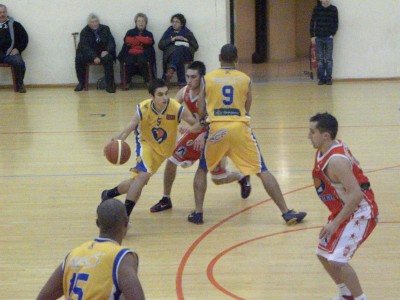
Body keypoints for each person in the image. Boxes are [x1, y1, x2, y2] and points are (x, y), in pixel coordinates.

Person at [189, 44, 307, 225]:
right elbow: (247, 106)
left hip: (216, 129)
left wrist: (205, 119)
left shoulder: (208, 79)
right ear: (236, 60)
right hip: (239, 128)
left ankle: (197, 213)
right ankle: (286, 212)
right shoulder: (245, 79)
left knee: (203, 170)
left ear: (220, 57)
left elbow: (201, 108)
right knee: (262, 170)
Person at [150, 61, 251, 213]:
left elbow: (218, 121)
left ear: (202, 78)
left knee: (218, 179)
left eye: (193, 77)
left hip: (214, 135)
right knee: (171, 160)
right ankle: (166, 198)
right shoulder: (184, 91)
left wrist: (203, 133)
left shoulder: (211, 93)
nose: (189, 80)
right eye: (187, 76)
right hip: (195, 132)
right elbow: (170, 109)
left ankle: (242, 177)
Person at [101, 78, 201, 219]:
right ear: (152, 96)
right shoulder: (144, 108)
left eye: (166, 93)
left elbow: (197, 124)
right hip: (145, 145)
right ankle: (124, 217)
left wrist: (190, 129)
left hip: (163, 152)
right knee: (144, 175)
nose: (165, 97)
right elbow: (129, 128)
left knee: (136, 182)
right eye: (160, 94)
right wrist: (116, 140)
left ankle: (108, 194)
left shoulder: (175, 108)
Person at [308, 113, 378, 300]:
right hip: (345, 207)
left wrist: (335, 223)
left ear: (326, 136)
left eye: (312, 132)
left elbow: (356, 195)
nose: (308, 136)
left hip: (362, 211)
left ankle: (360, 298)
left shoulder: (336, 161)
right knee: (322, 253)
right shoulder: (326, 149)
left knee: (337, 261)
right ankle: (345, 293)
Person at [36, 198, 145, 300]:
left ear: (98, 223)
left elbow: (42, 298)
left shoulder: (73, 254)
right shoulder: (122, 257)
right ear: (126, 223)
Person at [75, 13, 116, 93]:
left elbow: (111, 42)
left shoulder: (105, 29)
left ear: (98, 22)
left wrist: (107, 50)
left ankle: (109, 85)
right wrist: (94, 57)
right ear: (88, 23)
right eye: (92, 22)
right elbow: (84, 47)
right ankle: (81, 83)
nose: (94, 24)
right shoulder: (84, 31)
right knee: (79, 58)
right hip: (90, 54)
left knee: (108, 58)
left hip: (103, 52)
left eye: (96, 21)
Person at [117, 12, 156, 89]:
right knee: (129, 60)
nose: (141, 23)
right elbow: (127, 40)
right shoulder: (130, 32)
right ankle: (127, 82)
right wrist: (141, 41)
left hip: (144, 54)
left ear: (146, 23)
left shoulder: (149, 33)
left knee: (142, 60)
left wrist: (136, 40)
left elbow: (150, 42)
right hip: (130, 53)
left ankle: (148, 81)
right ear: (136, 22)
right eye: (139, 21)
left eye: (143, 21)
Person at [158, 13, 198, 87]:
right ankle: (182, 82)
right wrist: (172, 39)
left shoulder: (187, 32)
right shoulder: (169, 31)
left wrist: (186, 40)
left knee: (180, 49)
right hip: (172, 54)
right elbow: (160, 45)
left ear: (182, 24)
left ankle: (171, 69)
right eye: (173, 21)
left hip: (186, 54)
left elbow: (196, 46)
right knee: (179, 55)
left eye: (176, 22)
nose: (174, 24)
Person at [0, 4, 28, 93]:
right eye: (0, 13)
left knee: (18, 62)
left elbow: (24, 38)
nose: (2, 14)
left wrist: (18, 49)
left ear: (6, 13)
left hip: (10, 54)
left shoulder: (16, 25)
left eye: (3, 12)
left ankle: (19, 85)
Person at [310, 0, 339, 85]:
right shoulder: (316, 9)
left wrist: (332, 34)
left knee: (329, 59)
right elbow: (312, 22)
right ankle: (321, 78)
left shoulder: (334, 9)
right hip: (318, 37)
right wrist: (312, 35)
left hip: (328, 37)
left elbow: (336, 23)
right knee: (320, 59)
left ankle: (329, 78)